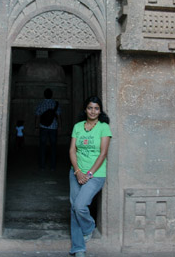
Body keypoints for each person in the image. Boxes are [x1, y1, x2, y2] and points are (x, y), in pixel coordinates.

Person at [68, 96, 111, 257]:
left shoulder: (104, 127)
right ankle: (78, 248)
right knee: (74, 208)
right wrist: (78, 171)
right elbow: (72, 150)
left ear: (100, 111)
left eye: (96, 108)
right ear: (85, 110)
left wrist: (89, 174)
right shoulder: (78, 127)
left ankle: (89, 226)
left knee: (80, 206)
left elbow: (103, 153)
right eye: (90, 108)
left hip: (95, 174)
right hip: (76, 173)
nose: (93, 111)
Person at [35, 88, 61, 171]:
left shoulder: (41, 104)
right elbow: (59, 116)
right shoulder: (55, 103)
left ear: (44, 94)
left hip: (43, 127)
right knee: (53, 147)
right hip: (53, 127)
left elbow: (37, 116)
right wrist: (60, 126)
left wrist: (36, 127)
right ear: (52, 95)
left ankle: (42, 166)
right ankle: (52, 166)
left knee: (42, 147)